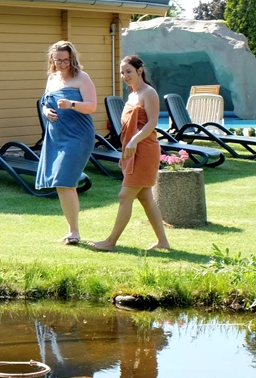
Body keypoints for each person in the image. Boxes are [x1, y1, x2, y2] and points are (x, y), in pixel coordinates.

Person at [89, 56, 170, 252]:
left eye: (128, 71)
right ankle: (163, 242)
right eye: (122, 72)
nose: (124, 76)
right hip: (132, 150)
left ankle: (110, 242)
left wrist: (134, 140)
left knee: (125, 196)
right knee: (145, 197)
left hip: (145, 149)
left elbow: (152, 123)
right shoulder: (133, 95)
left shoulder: (148, 93)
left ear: (140, 70)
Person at [36, 41, 96, 245]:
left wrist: (72, 104)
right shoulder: (52, 78)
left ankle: (75, 232)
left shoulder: (81, 77)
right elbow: (44, 101)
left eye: (65, 60)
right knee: (62, 185)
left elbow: (92, 106)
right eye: (58, 60)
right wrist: (45, 111)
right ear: (51, 59)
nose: (62, 64)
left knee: (65, 181)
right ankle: (72, 230)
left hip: (78, 136)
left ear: (72, 58)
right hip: (56, 135)